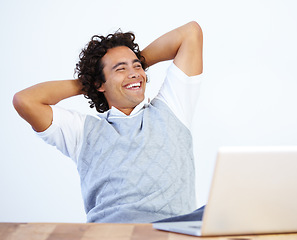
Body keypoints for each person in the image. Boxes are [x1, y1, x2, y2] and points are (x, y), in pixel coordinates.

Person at [13, 21, 203, 223]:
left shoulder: (172, 108)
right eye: (120, 69)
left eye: (137, 66)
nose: (134, 73)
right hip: (108, 233)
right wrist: (89, 81)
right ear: (99, 83)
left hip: (172, 232)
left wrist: (132, 69)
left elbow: (191, 33)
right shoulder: (81, 131)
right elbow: (25, 101)